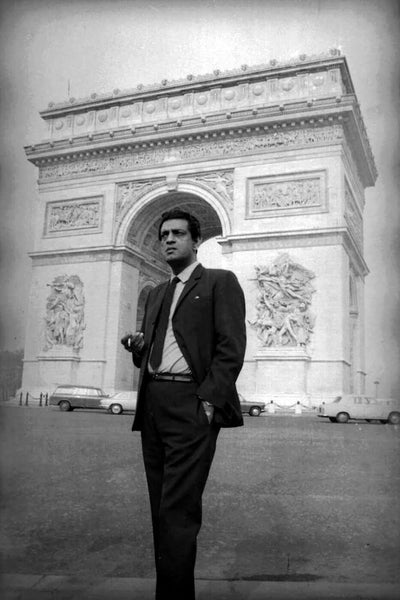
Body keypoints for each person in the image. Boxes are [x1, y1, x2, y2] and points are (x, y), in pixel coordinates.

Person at [121, 208, 246, 600]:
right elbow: (152, 354)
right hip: (154, 404)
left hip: (192, 404)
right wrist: (138, 348)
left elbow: (231, 348)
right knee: (161, 510)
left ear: (196, 240)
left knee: (178, 510)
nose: (169, 240)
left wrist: (208, 403)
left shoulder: (220, 282)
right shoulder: (157, 292)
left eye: (177, 233)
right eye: (162, 235)